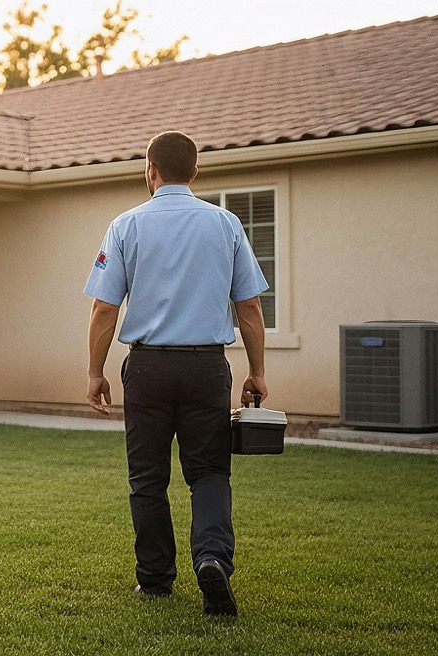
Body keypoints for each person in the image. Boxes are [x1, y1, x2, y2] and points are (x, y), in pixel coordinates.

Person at [82, 131, 269, 617]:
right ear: (195, 172)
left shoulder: (125, 225)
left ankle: (156, 580)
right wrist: (258, 371)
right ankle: (211, 559)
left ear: (150, 170)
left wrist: (94, 373)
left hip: (146, 368)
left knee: (148, 478)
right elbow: (248, 306)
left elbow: (105, 310)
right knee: (208, 472)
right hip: (207, 367)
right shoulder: (226, 224)